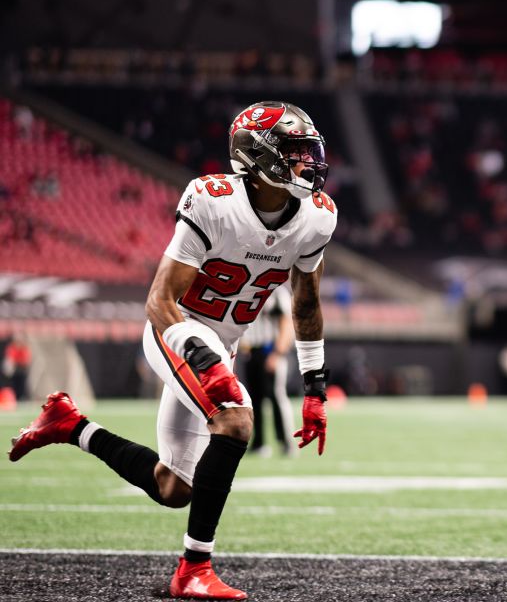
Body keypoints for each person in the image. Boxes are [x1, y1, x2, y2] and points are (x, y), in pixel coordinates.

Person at [9, 101, 338, 600]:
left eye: (308, 152)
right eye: (293, 153)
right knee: (236, 419)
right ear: (257, 156)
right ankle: (193, 571)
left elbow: (307, 301)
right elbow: (159, 301)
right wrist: (205, 362)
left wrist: (314, 387)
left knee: (173, 488)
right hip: (177, 329)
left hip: (221, 343)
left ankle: (71, 425)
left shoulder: (317, 217)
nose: (306, 163)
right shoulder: (213, 199)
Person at [239, 285, 297, 457]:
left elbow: (286, 324)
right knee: (253, 400)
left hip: (270, 351)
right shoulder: (246, 289)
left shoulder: (278, 292)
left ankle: (286, 442)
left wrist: (277, 353)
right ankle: (259, 443)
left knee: (276, 397)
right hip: (250, 352)